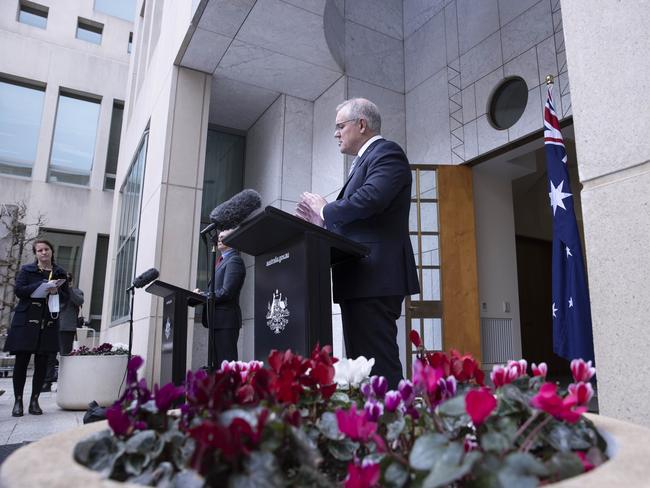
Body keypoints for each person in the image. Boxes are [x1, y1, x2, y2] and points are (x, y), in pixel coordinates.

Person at [296, 98, 420, 389]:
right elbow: (359, 217)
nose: (336, 133)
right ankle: (372, 429)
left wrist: (325, 210)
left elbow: (371, 198)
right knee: (362, 366)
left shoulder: (386, 152)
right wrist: (323, 226)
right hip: (359, 278)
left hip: (376, 277)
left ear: (361, 125)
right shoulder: (362, 162)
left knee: (378, 365)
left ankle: (394, 428)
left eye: (340, 126)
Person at [4, 239, 68, 416]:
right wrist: (40, 286)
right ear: (36, 253)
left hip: (47, 321)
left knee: (42, 363)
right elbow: (19, 290)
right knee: (21, 362)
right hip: (26, 321)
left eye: (46, 249)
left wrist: (57, 291)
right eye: (39, 250)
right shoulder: (27, 270)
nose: (43, 253)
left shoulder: (60, 272)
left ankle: (35, 400)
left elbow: (66, 298)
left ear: (52, 251)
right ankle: (18, 401)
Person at [197, 229, 246, 367]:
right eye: (218, 237)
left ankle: (231, 389)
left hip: (226, 322)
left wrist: (203, 295)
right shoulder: (221, 261)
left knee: (226, 366)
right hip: (217, 321)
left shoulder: (234, 260)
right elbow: (216, 290)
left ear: (233, 240)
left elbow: (227, 292)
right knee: (217, 366)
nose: (218, 239)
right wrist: (202, 293)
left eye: (223, 237)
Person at [42, 273, 85, 392]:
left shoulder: (76, 291)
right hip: (52, 327)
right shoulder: (54, 291)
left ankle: (64, 383)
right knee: (50, 356)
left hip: (66, 328)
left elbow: (79, 301)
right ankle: (47, 383)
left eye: (67, 279)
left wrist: (69, 288)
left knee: (65, 356)